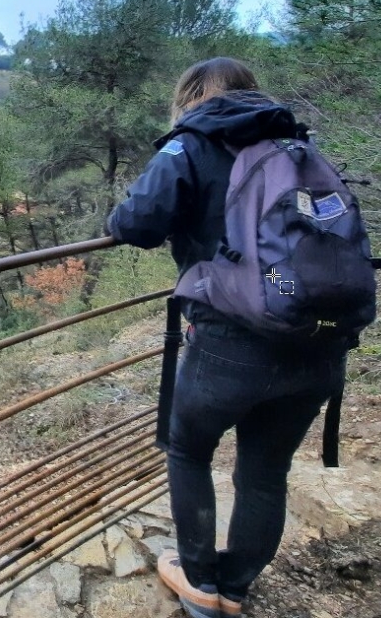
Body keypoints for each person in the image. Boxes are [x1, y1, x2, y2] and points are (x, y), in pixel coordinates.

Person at [105, 57, 349, 618]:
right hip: (317, 339)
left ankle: (199, 584)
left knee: (188, 450)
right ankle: (236, 588)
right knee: (265, 470)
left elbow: (134, 224)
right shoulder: (298, 143)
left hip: (231, 341)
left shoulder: (191, 143)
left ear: (191, 96)